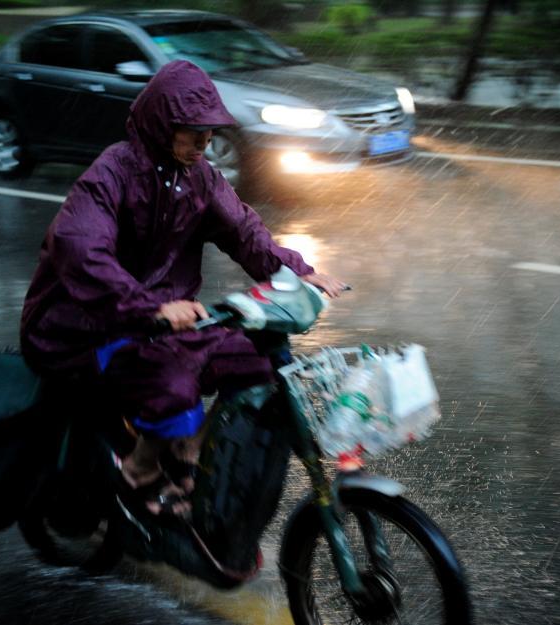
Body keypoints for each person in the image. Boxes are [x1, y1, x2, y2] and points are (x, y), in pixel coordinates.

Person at [20, 60, 346, 518]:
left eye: (210, 133)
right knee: (171, 384)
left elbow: (244, 233)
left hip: (164, 320)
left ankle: (190, 450)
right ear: (163, 125)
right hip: (84, 325)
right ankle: (139, 469)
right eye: (193, 132)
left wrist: (297, 271)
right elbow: (80, 250)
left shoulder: (200, 179)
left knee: (257, 366)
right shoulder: (112, 172)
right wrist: (150, 306)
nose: (204, 143)